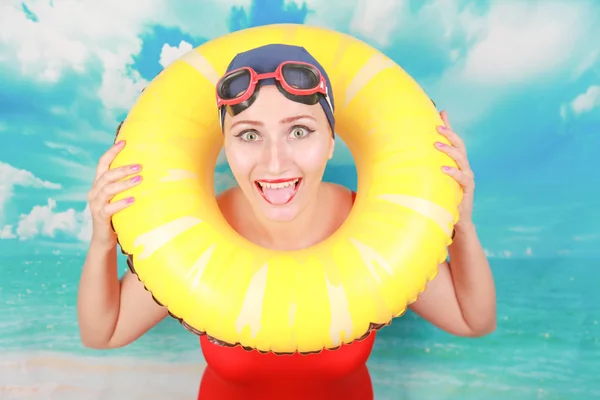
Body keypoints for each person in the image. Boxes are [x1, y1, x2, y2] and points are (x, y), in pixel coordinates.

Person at [77, 44, 496, 399]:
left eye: (299, 131)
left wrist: (462, 225)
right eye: (248, 134)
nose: (275, 163)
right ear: (225, 145)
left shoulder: (372, 227)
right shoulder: (196, 234)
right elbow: (103, 333)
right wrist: (102, 242)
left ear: (332, 140)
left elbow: (472, 319)